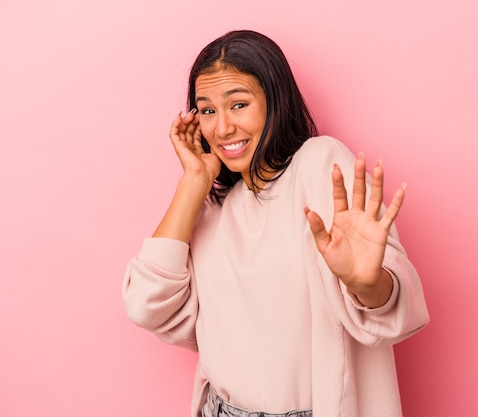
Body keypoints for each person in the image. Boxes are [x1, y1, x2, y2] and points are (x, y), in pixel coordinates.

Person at [123, 29, 429, 417]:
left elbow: (393, 312)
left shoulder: (320, 164)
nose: (221, 129)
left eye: (238, 104)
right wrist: (194, 181)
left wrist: (366, 283)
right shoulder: (212, 210)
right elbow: (146, 307)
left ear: (275, 102)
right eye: (207, 110)